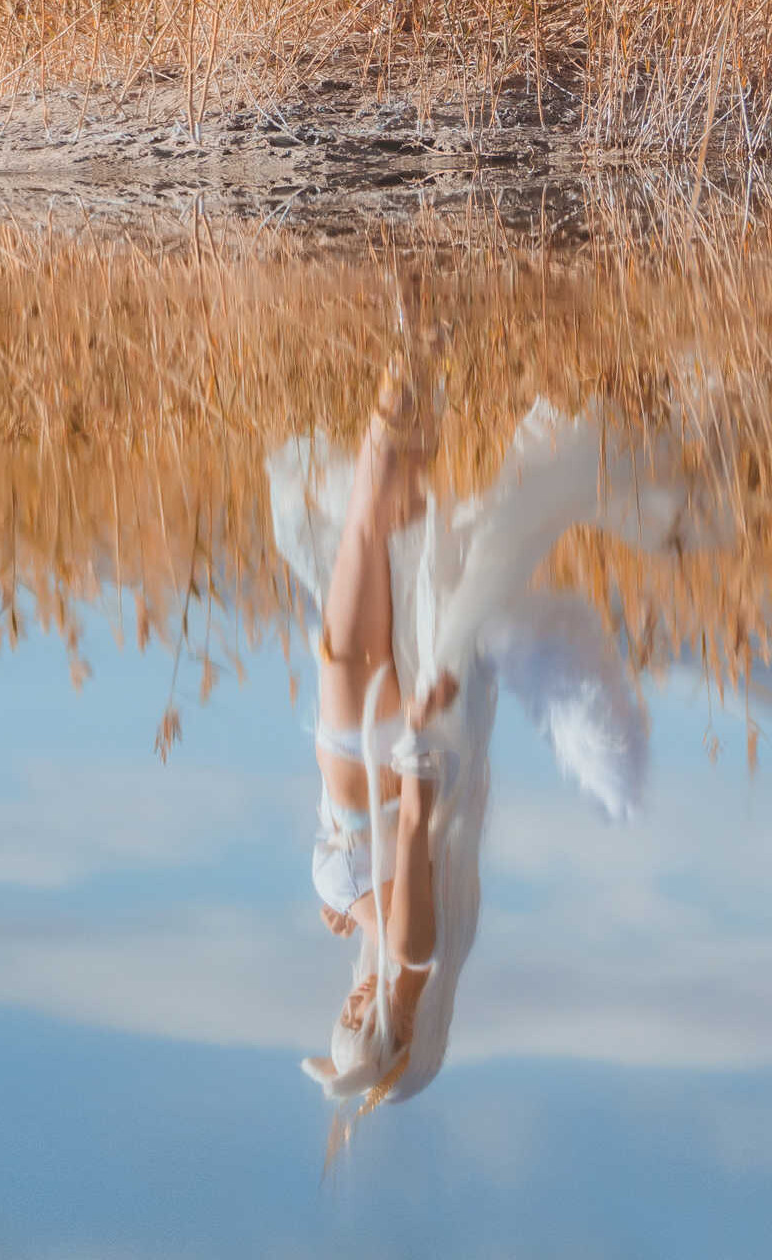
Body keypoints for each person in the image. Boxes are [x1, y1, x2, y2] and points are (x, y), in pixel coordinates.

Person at [268, 383, 699, 1120]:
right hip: (375, 731)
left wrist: (341, 902)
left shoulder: (375, 934)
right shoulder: (413, 945)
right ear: (405, 1033)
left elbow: (379, 856)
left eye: (343, 1017)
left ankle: (419, 359)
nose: (354, 1006)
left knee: (380, 526)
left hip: (351, 730)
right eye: (366, 1026)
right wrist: (423, 724)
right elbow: (412, 820)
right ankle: (414, 359)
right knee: (371, 529)